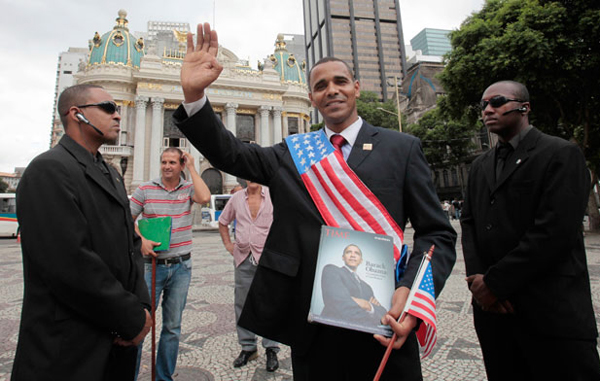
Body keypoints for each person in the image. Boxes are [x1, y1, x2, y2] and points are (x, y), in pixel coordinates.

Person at [174, 23, 456, 380]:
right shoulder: (292, 154)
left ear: (356, 87)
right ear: (311, 97)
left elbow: (437, 235)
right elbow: (230, 154)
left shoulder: (402, 148)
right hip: (314, 320)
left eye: (340, 82)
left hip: (386, 315)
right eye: (321, 86)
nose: (332, 91)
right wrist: (195, 96)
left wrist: (412, 296)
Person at [461, 80, 600, 381]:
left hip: (550, 314)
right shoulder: (480, 165)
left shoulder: (560, 153)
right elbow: (469, 225)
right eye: (483, 105)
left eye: (497, 101)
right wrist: (478, 284)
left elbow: (554, 232)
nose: (488, 109)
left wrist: (495, 283)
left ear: (525, 107)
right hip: (494, 317)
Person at [12, 84, 152, 380]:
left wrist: (142, 307)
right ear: (76, 114)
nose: (118, 115)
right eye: (108, 108)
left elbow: (131, 244)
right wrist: (130, 318)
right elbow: (70, 265)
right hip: (68, 346)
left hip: (115, 342)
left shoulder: (111, 172)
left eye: (118, 108)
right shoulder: (48, 170)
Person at [130, 148, 210, 381]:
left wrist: (194, 168)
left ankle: (163, 376)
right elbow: (126, 217)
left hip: (181, 267)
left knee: (172, 327)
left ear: (181, 165)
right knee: (141, 324)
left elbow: (204, 198)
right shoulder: (145, 189)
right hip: (150, 266)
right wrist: (141, 240)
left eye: (173, 162)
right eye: (164, 161)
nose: (167, 166)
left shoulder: (187, 189)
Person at [218, 180, 280, 372]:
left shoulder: (274, 195)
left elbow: (285, 222)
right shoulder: (237, 198)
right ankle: (248, 347)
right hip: (243, 257)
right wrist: (229, 245)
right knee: (242, 304)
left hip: (267, 258)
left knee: (270, 304)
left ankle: (271, 348)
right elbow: (223, 222)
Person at [321, 244, 387, 326]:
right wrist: (370, 312)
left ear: (361, 260)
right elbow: (338, 304)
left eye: (357, 253)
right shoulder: (332, 270)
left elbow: (383, 314)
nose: (352, 255)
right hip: (331, 327)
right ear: (343, 257)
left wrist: (367, 305)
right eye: (349, 252)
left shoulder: (367, 287)